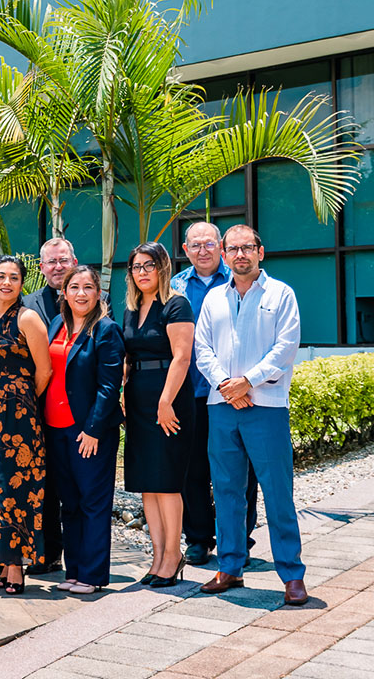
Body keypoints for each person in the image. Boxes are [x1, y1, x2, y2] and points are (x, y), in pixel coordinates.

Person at [195, 225, 307, 606]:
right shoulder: (213, 299)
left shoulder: (281, 295)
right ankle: (229, 567)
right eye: (233, 249)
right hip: (222, 407)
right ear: (224, 256)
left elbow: (285, 347)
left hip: (267, 407)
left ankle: (291, 574)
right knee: (226, 491)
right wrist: (228, 384)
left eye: (247, 248)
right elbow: (202, 348)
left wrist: (248, 382)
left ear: (261, 252)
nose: (240, 254)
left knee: (278, 492)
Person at [171, 222, 258, 567]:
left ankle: (238, 539)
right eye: (196, 244)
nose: (203, 250)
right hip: (190, 393)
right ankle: (198, 539)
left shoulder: (239, 278)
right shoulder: (175, 286)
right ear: (185, 248)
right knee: (192, 471)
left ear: (221, 247)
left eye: (209, 243)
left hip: (233, 393)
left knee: (239, 470)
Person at [0, 255, 52, 595]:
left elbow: (44, 370)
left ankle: (17, 565)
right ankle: (0, 560)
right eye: (1, 276)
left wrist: (20, 402)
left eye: (14, 277)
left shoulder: (28, 318)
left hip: (18, 421)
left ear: (22, 284)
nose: (6, 282)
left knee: (17, 489)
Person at [45, 267, 125, 594]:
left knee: (93, 502)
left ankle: (92, 575)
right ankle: (74, 571)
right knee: (70, 503)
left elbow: (109, 387)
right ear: (64, 292)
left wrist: (93, 429)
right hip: (56, 429)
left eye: (88, 287)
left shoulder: (106, 330)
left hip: (88, 432)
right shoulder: (56, 325)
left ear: (98, 293)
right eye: (74, 287)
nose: (81, 293)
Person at [121, 242, 196, 589]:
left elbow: (181, 357)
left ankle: (172, 555)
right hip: (137, 400)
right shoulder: (131, 309)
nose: (142, 272)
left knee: (166, 483)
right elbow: (128, 356)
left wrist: (165, 402)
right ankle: (156, 556)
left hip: (169, 399)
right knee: (147, 485)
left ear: (163, 267)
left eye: (148, 265)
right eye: (136, 267)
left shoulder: (176, 304)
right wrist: (123, 392)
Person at [22, 237, 76, 575]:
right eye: (51, 262)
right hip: (36, 408)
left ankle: (81, 555)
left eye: (63, 260)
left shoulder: (94, 298)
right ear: (41, 268)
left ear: (73, 262)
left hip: (77, 409)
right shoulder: (28, 303)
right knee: (43, 486)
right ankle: (48, 553)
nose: (58, 267)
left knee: (75, 485)